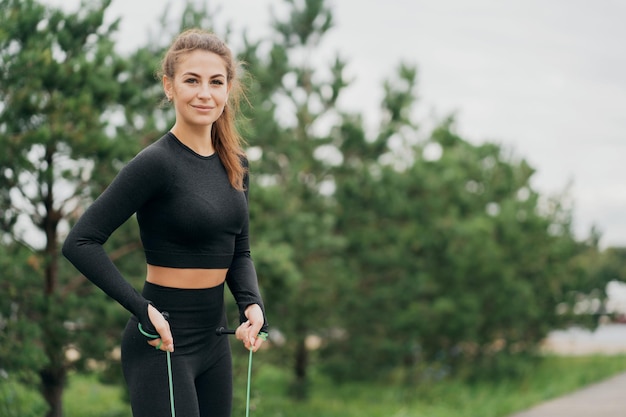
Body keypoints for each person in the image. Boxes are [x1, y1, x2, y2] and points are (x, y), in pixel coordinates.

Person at [62, 28, 268, 417]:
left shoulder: (236, 164)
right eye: (192, 80)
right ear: (169, 86)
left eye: (215, 82)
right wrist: (144, 310)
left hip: (215, 340)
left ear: (228, 90)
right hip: (162, 342)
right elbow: (81, 242)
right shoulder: (156, 164)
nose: (204, 93)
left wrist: (251, 305)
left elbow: (240, 250)